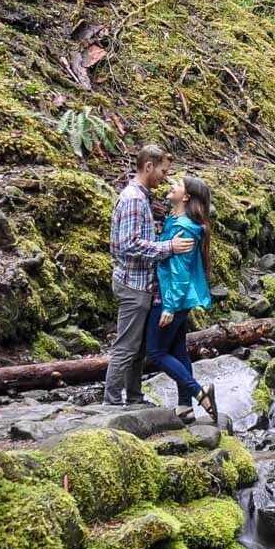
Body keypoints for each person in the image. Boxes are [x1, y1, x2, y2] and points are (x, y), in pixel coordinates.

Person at [103, 145, 194, 406]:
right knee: (127, 346)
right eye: (163, 171)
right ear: (149, 167)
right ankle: (110, 402)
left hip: (141, 283)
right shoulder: (133, 199)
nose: (164, 177)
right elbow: (129, 244)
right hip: (133, 284)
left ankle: (134, 397)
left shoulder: (141, 197)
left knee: (139, 349)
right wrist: (168, 248)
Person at [147, 175, 218, 423]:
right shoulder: (177, 221)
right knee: (178, 351)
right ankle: (185, 407)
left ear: (186, 197)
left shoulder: (184, 228)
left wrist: (169, 306)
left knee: (155, 352)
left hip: (171, 299)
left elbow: (179, 272)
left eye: (177, 185)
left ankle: (198, 391)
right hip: (177, 299)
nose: (171, 186)